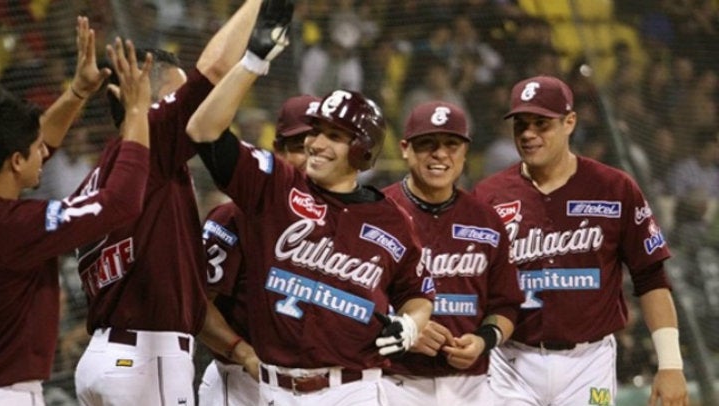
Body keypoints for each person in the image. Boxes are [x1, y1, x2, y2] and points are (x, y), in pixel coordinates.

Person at [185, 16, 435, 406]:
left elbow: (419, 294)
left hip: (353, 390)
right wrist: (252, 63)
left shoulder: (393, 219)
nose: (316, 143)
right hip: (270, 389)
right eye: (315, 131)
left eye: (333, 136)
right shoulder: (275, 187)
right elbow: (203, 130)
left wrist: (410, 324)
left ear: (362, 149)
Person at [72, 1, 271, 405]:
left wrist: (240, 350)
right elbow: (213, 72)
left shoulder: (100, 176)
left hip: (106, 356)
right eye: (177, 98)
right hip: (147, 357)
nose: (192, 109)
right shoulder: (149, 148)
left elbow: (185, 300)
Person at [0, 20, 153, 406]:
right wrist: (138, 111)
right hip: (2, 395)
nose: (45, 151)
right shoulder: (17, 227)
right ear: (14, 161)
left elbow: (30, 141)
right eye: (35, 149)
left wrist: (76, 91)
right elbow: (121, 201)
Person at [472, 75, 690, 406]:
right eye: (521, 124)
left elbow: (651, 277)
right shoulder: (488, 196)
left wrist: (671, 364)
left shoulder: (615, 189)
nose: (529, 134)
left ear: (569, 122)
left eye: (541, 123)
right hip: (510, 361)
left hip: (588, 363)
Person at [380, 101, 523, 405]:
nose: (440, 154)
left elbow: (506, 305)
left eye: (451, 144)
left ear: (465, 152)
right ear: (404, 148)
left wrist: (483, 341)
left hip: (471, 385)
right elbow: (347, 300)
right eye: (426, 144)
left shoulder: (485, 219)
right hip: (394, 381)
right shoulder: (375, 212)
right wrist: (404, 327)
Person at [196, 94, 321, 406]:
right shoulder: (232, 218)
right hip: (245, 383)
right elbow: (196, 304)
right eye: (297, 147)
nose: (308, 158)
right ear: (277, 151)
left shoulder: (343, 220)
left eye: (317, 146)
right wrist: (242, 351)